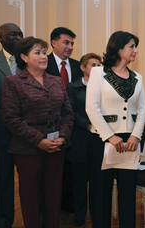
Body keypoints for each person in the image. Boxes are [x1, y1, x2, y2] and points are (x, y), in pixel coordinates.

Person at [1, 37, 74, 228]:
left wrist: (63, 137)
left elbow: (67, 113)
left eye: (44, 52)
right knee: (30, 197)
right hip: (27, 150)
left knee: (53, 195)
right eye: (38, 52)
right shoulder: (13, 82)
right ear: (24, 57)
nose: (43, 56)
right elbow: (11, 119)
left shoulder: (57, 81)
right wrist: (39, 140)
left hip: (57, 147)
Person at [85, 31, 145, 228]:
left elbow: (142, 109)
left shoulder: (138, 77)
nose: (135, 50)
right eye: (131, 46)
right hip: (102, 140)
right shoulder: (98, 73)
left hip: (130, 141)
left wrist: (136, 135)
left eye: (135, 46)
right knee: (100, 191)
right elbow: (91, 108)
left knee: (128, 190)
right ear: (119, 49)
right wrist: (110, 136)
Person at [45, 26, 83, 212]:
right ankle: (51, 207)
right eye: (66, 42)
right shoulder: (44, 63)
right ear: (54, 42)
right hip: (48, 126)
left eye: (72, 43)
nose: (70, 47)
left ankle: (69, 206)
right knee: (51, 171)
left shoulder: (77, 66)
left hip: (74, 126)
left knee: (71, 169)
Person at [0, 22, 23, 228]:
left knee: (29, 181)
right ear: (0, 38)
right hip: (0, 131)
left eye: (20, 34)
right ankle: (2, 222)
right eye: (12, 35)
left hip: (27, 132)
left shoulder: (30, 60)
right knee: (1, 181)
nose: (17, 38)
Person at [65, 53, 102, 227]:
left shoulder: (105, 87)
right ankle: (79, 218)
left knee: (97, 184)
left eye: (99, 65)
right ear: (82, 67)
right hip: (79, 141)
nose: (97, 68)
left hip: (99, 141)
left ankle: (97, 217)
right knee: (79, 185)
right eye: (93, 64)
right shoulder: (72, 87)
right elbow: (71, 112)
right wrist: (88, 125)